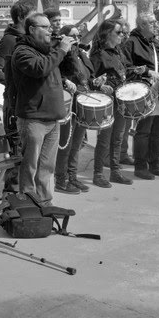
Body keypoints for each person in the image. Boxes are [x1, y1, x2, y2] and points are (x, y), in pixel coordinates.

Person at [10, 12, 75, 203]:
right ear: (32, 29)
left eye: (50, 27)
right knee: (31, 165)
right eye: (44, 27)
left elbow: (69, 71)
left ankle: (45, 203)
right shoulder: (22, 51)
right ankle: (29, 203)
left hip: (52, 117)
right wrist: (61, 51)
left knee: (47, 165)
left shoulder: (49, 51)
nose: (50, 30)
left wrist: (70, 52)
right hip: (33, 118)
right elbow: (40, 69)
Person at [0, 1, 33, 193]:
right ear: (22, 18)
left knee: (26, 156)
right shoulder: (10, 40)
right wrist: (15, 84)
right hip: (14, 106)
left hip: (27, 105)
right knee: (16, 155)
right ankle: (11, 200)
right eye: (32, 15)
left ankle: (25, 198)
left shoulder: (29, 38)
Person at [122, 14, 159, 178]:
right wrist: (146, 71)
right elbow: (125, 68)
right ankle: (141, 167)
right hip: (145, 92)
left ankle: (155, 164)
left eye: (156, 22)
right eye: (152, 23)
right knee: (144, 131)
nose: (156, 25)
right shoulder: (131, 43)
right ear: (142, 25)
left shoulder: (156, 43)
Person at [88, 20, 133, 185]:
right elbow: (91, 79)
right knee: (105, 139)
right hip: (107, 102)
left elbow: (125, 71)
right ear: (107, 34)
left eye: (122, 32)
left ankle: (115, 171)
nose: (123, 35)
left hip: (121, 99)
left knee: (118, 138)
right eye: (119, 32)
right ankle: (98, 174)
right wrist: (101, 84)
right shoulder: (98, 55)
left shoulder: (119, 52)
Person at [56, 22, 95, 193]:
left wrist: (95, 82)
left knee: (77, 143)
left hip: (82, 101)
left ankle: (72, 177)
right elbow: (53, 72)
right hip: (68, 102)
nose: (77, 38)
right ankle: (60, 179)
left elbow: (87, 76)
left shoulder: (80, 53)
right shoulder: (61, 53)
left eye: (78, 35)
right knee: (66, 143)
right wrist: (65, 80)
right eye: (73, 36)